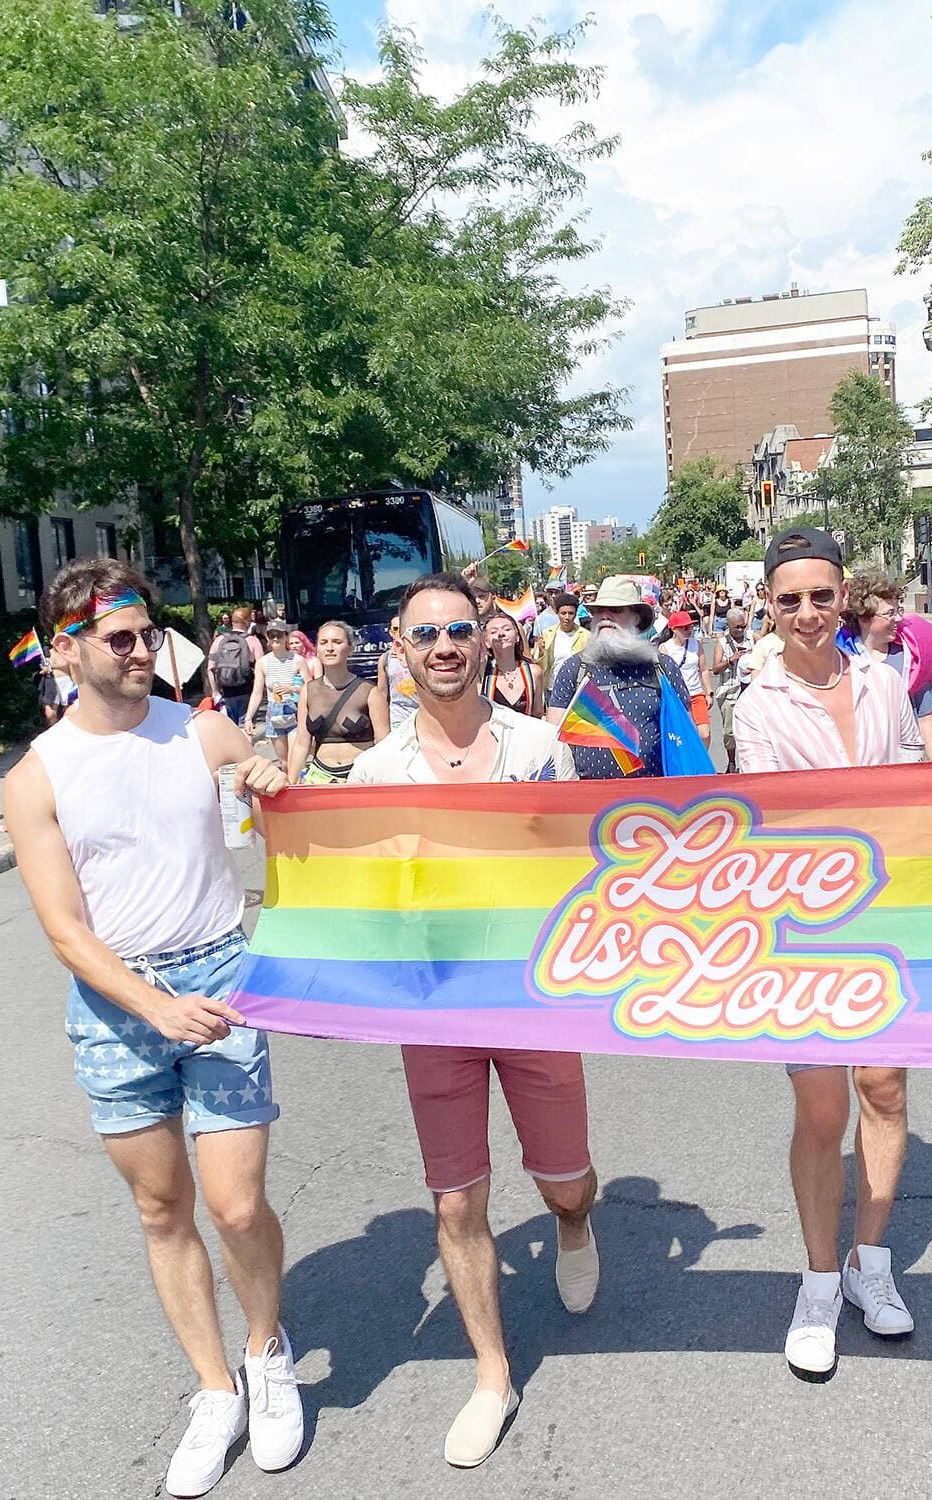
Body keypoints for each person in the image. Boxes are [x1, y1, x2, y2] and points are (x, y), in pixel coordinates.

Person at [2, 559, 303, 1492]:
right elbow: (65, 931)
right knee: (162, 1209)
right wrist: (153, 1005)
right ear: (65, 651)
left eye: (147, 634)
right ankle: (214, 1391)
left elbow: (285, 822)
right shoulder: (37, 776)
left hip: (218, 975)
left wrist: (271, 780)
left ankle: (266, 1351)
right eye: (119, 639)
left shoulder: (200, 730)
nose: (142, 652)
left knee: (236, 1205)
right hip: (117, 1006)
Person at [348, 572, 591, 1467]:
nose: (444, 647)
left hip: (533, 1002)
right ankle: (493, 1374)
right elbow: (352, 888)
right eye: (425, 635)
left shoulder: (539, 746)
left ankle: (575, 1223)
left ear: (486, 639)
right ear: (400, 649)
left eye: (458, 630)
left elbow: (581, 865)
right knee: (456, 1198)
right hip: (434, 1010)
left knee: (566, 1181)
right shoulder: (376, 772)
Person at [730, 528, 923, 1378]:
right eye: (789, 599)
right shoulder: (755, 703)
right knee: (820, 1111)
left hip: (888, 915)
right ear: (768, 607)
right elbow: (772, 816)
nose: (807, 612)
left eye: (820, 595)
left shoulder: (885, 680)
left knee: (883, 1087)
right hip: (802, 926)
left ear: (844, 597)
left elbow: (913, 782)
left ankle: (867, 1262)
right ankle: (816, 1281)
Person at [543, 575, 689, 779]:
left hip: (653, 793)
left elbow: (686, 736)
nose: (605, 616)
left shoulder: (662, 667)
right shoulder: (574, 669)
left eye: (616, 610)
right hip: (587, 794)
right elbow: (554, 740)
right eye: (599, 610)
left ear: (636, 618)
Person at [848, 573, 932, 762]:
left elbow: (924, 719)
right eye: (889, 613)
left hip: (904, 760)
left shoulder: (911, 657)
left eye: (898, 611)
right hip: (860, 761)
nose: (898, 619)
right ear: (864, 618)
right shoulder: (844, 658)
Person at [288, 620, 388, 784]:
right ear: (317, 650)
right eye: (323, 642)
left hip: (360, 778)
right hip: (319, 777)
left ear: (350, 649)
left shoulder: (370, 692)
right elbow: (301, 743)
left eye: (337, 642)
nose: (330, 648)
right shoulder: (309, 690)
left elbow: (384, 745)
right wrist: (290, 784)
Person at [244, 621, 306, 762]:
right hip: (274, 711)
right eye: (272, 635)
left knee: (295, 759)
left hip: (294, 710)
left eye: (279, 635)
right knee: (284, 763)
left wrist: (291, 689)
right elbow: (257, 693)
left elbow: (311, 688)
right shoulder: (262, 663)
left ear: (286, 636)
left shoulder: (298, 660)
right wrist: (248, 718)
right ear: (267, 637)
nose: (275, 639)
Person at [659, 610, 712, 745]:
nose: (689, 630)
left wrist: (709, 692)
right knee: (690, 734)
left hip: (696, 694)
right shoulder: (665, 648)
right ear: (674, 629)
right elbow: (663, 676)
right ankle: (694, 757)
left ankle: (702, 756)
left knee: (705, 734)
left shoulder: (696, 644)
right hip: (678, 697)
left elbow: (704, 669)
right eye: (684, 627)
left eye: (690, 626)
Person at [710, 608, 752, 770]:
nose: (741, 630)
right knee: (729, 732)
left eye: (743, 626)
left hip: (750, 692)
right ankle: (732, 761)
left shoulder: (752, 638)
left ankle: (749, 763)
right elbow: (715, 669)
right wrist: (730, 660)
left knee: (751, 730)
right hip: (729, 692)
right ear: (728, 625)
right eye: (737, 627)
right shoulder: (722, 643)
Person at [480, 610, 542, 719]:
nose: (501, 634)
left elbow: (537, 714)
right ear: (486, 642)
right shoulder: (482, 676)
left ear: (517, 637)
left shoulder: (534, 672)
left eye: (507, 629)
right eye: (493, 632)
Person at [207, 608, 259, 724]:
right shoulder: (252, 641)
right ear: (247, 622)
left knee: (230, 730)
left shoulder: (219, 640)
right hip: (247, 693)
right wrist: (259, 692)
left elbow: (210, 668)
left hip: (225, 694)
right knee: (246, 728)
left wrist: (215, 692)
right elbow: (261, 670)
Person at [535, 593, 589, 677]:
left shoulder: (586, 636)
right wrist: (541, 652)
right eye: (563, 613)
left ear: (575, 614)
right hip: (551, 683)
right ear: (557, 613)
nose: (567, 617)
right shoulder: (547, 635)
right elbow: (538, 666)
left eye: (570, 613)